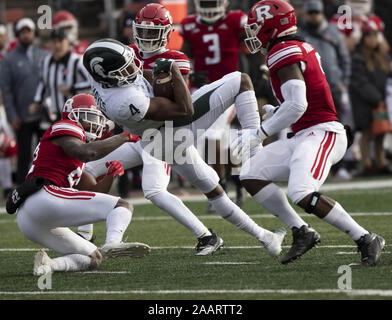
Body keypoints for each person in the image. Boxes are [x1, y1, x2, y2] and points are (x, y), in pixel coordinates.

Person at [83, 38, 287, 258]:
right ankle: (256, 160)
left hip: (148, 136)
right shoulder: (126, 101)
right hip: (168, 132)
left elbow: (140, 77)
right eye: (125, 68)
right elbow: (185, 109)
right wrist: (172, 70)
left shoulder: (101, 80)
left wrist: (154, 76)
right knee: (241, 80)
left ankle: (264, 237)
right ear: (109, 75)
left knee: (210, 189)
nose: (134, 68)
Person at [232, 0, 385, 266]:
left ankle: (365, 238)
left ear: (271, 27)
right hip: (305, 132)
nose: (254, 33)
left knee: (301, 190)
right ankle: (302, 231)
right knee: (251, 173)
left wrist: (260, 131)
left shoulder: (283, 50)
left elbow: (298, 104)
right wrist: (278, 112)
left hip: (323, 131)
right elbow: (298, 102)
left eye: (258, 27)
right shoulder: (292, 47)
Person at [78, 4, 225, 257]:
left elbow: (174, 102)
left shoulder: (174, 59)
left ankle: (207, 236)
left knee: (157, 190)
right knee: (88, 169)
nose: (145, 38)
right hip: (134, 134)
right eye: (142, 32)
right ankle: (84, 235)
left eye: (151, 32)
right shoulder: (127, 52)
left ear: (166, 33)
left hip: (161, 134)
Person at [10, 93, 150, 275]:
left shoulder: (70, 154)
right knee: (123, 205)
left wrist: (110, 175)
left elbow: (92, 191)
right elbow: (86, 152)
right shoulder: (66, 126)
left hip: (30, 217)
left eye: (97, 119)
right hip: (45, 196)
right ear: (72, 115)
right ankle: (113, 243)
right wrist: (124, 137)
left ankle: (49, 265)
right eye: (89, 117)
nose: (94, 124)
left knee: (93, 258)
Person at [179, 0, 248, 210]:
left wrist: (261, 68)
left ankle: (219, 188)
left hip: (229, 90)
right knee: (223, 144)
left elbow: (253, 46)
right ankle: (238, 183)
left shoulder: (236, 20)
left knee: (211, 137)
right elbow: (185, 57)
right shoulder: (190, 25)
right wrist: (191, 74)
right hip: (201, 90)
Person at [0, 18, 47, 185]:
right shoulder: (8, 60)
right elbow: (6, 91)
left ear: (34, 33)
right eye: (23, 32)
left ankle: (48, 185)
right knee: (24, 156)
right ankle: (21, 191)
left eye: (29, 31)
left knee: (46, 153)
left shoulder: (43, 55)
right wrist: (12, 115)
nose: (26, 35)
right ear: (18, 35)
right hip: (22, 116)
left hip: (43, 115)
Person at [349, 20, 392, 176]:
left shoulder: (382, 56)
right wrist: (376, 98)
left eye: (375, 36)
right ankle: (366, 165)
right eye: (369, 36)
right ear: (363, 38)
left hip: (381, 101)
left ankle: (381, 163)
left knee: (381, 133)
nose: (373, 39)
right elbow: (360, 82)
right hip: (365, 102)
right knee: (367, 134)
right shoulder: (358, 57)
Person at [32, 28, 91, 121]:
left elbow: (92, 83)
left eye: (60, 41)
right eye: (54, 42)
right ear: (50, 44)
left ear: (67, 42)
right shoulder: (46, 62)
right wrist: (37, 101)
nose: (57, 45)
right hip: (55, 112)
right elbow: (42, 83)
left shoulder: (76, 61)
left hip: (76, 113)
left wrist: (72, 88)